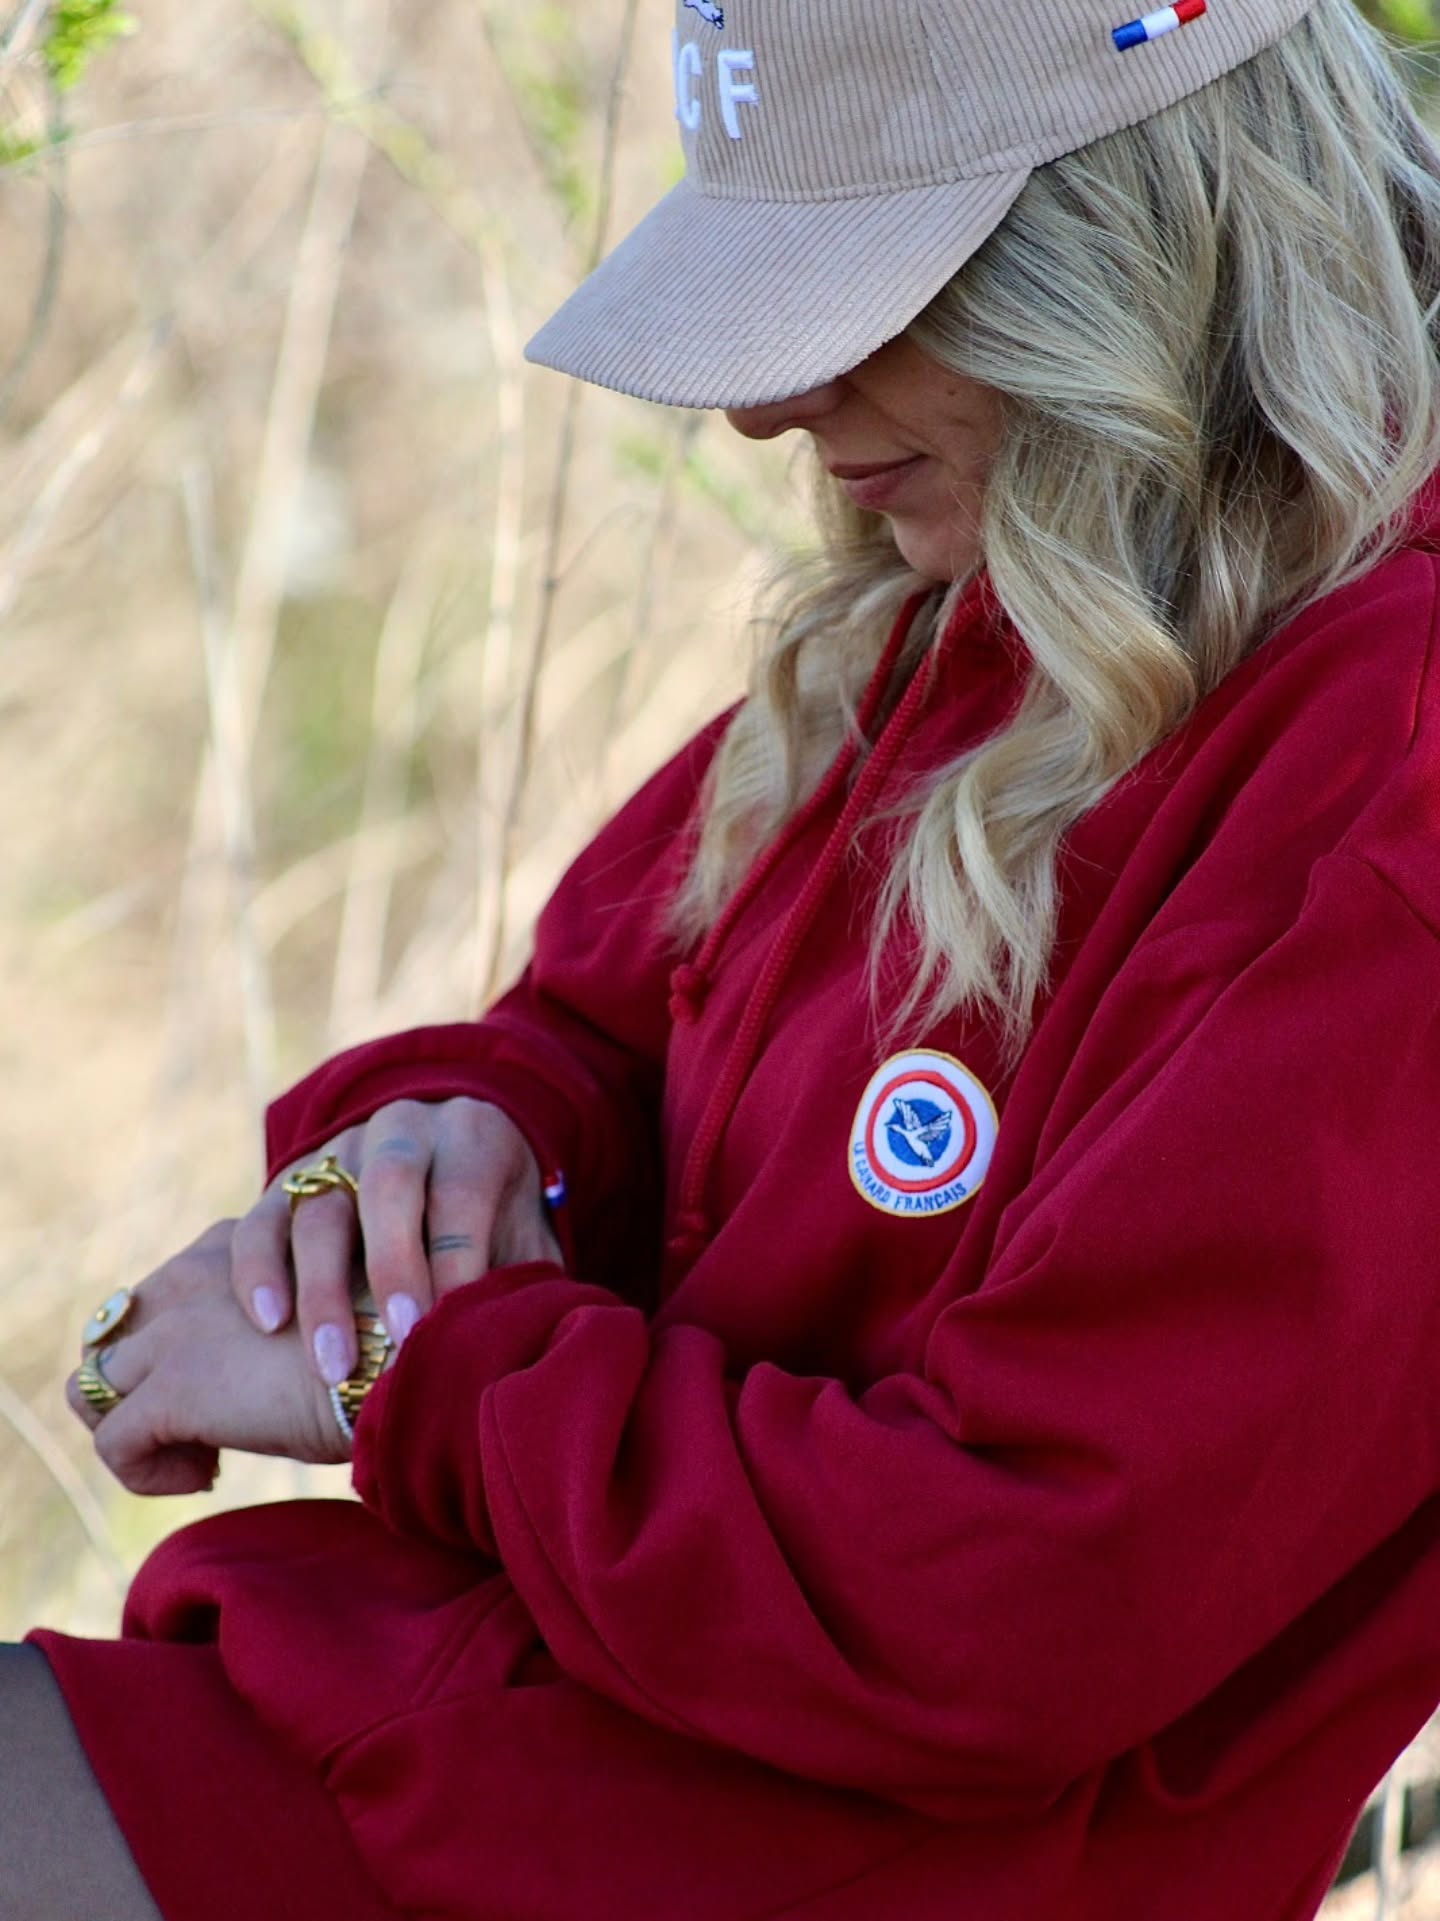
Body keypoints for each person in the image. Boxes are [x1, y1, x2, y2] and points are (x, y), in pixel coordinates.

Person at [7, 0, 1440, 1914]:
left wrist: (426, 1365)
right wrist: (458, 1145)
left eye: (873, 282)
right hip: (512, 1729)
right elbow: (605, 1018)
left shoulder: (1391, 759)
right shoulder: (995, 598)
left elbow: (1012, 1597)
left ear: (1140, 230)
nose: (768, 404)